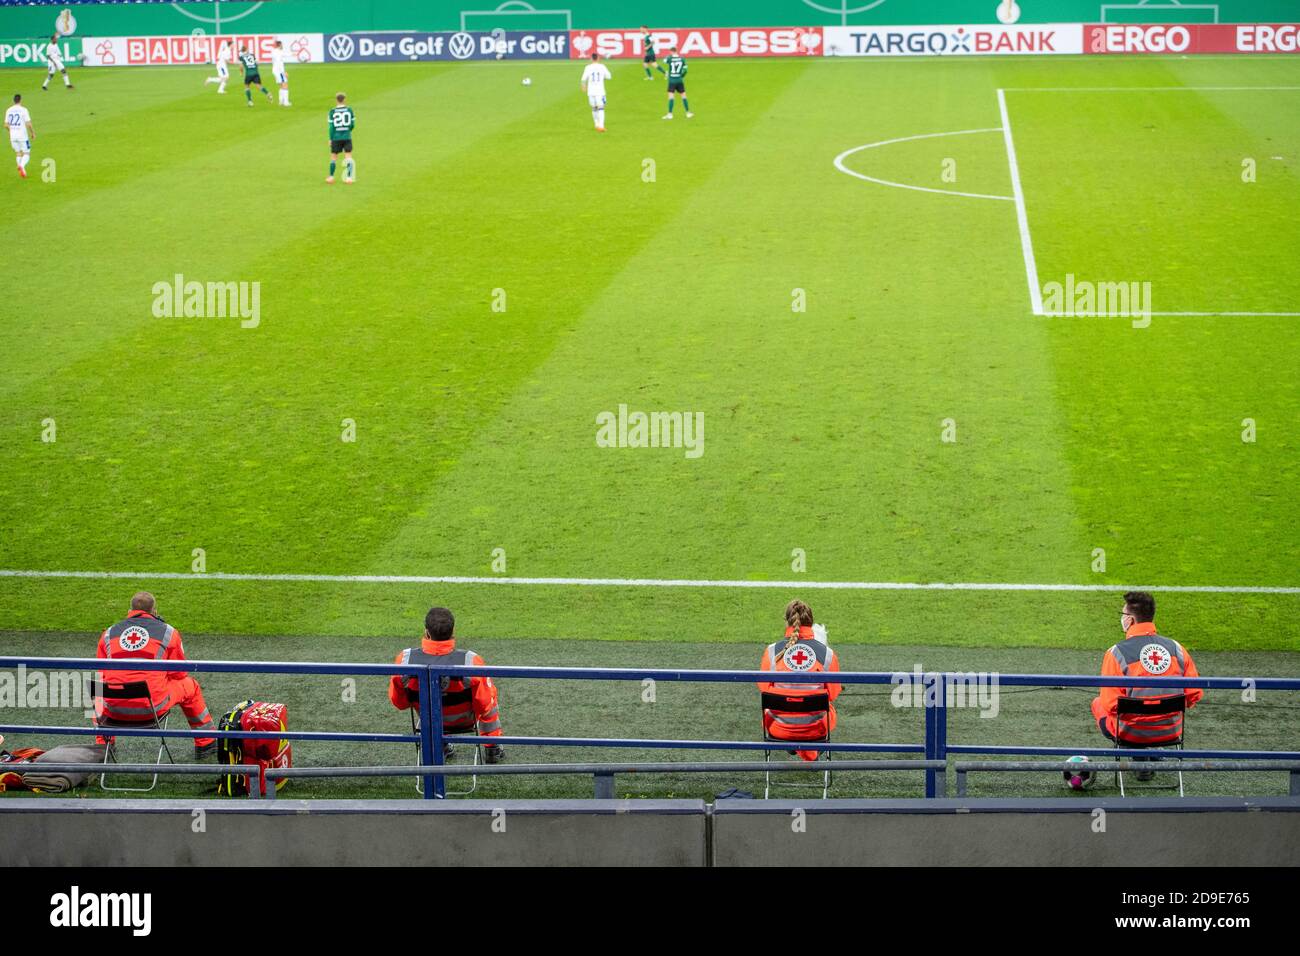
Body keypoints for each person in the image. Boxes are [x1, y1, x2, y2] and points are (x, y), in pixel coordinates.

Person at [1091, 591, 1202, 780]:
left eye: (1123, 615)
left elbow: (1111, 705)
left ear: (1131, 620)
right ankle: (1155, 754)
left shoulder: (1115, 653)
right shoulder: (1177, 649)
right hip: (1171, 730)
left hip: (1131, 733)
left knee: (1098, 703)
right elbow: (1194, 695)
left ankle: (1140, 758)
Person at [95, 592, 217, 759]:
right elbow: (179, 673)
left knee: (97, 689)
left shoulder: (108, 634)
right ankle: (206, 743)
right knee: (191, 686)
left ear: (129, 610)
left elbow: (101, 673)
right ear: (154, 610)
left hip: (113, 711)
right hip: (152, 709)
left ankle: (104, 744)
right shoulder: (168, 632)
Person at [388, 607, 504, 763]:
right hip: (466, 721)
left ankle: (440, 746)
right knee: (490, 697)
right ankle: (492, 748)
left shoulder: (404, 660)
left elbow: (400, 703)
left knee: (429, 705)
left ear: (426, 632)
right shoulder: (471, 661)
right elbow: (484, 706)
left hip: (429, 721)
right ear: (453, 631)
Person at [758, 600, 841, 761]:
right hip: (816, 729)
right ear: (811, 622)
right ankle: (809, 752)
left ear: (787, 621)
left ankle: (795, 746)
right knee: (827, 704)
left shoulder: (772, 651)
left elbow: (764, 688)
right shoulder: (827, 654)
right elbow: (833, 693)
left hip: (777, 728)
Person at [326, 92, 355, 184]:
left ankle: (331, 177)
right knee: (348, 157)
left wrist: (330, 138)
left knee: (334, 157)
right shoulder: (349, 110)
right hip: (347, 136)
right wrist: (348, 131)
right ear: (344, 99)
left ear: (336, 100)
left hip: (336, 137)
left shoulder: (332, 111)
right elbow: (352, 124)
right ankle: (349, 178)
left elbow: (331, 127)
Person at [580, 52, 611, 133]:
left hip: (591, 91)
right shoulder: (602, 66)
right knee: (601, 107)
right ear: (598, 58)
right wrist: (602, 78)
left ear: (591, 59)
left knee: (594, 108)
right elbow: (609, 76)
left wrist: (583, 86)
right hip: (600, 90)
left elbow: (583, 79)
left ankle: (596, 124)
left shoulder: (588, 67)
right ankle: (601, 126)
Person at [5, 94, 32, 179]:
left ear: (13, 101)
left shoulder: (8, 110)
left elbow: (6, 125)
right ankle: (21, 166)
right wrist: (33, 133)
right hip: (22, 136)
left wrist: (11, 131)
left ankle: (21, 169)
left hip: (13, 136)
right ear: (20, 100)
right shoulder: (23, 110)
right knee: (27, 153)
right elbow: (28, 124)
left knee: (18, 153)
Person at [661, 46, 692, 119]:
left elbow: (664, 60)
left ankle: (670, 114)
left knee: (671, 97)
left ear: (671, 51)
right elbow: (685, 70)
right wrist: (681, 76)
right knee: (684, 96)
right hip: (679, 80)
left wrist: (669, 56)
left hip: (672, 80)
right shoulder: (682, 58)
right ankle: (688, 113)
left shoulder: (670, 58)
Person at [270, 40, 291, 107]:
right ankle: (286, 102)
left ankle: (281, 101)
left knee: (281, 85)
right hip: (279, 71)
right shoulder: (278, 53)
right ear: (279, 45)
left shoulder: (275, 51)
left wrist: (293, 54)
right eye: (282, 45)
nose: (282, 46)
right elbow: (279, 63)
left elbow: (284, 54)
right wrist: (283, 72)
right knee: (285, 85)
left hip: (275, 70)